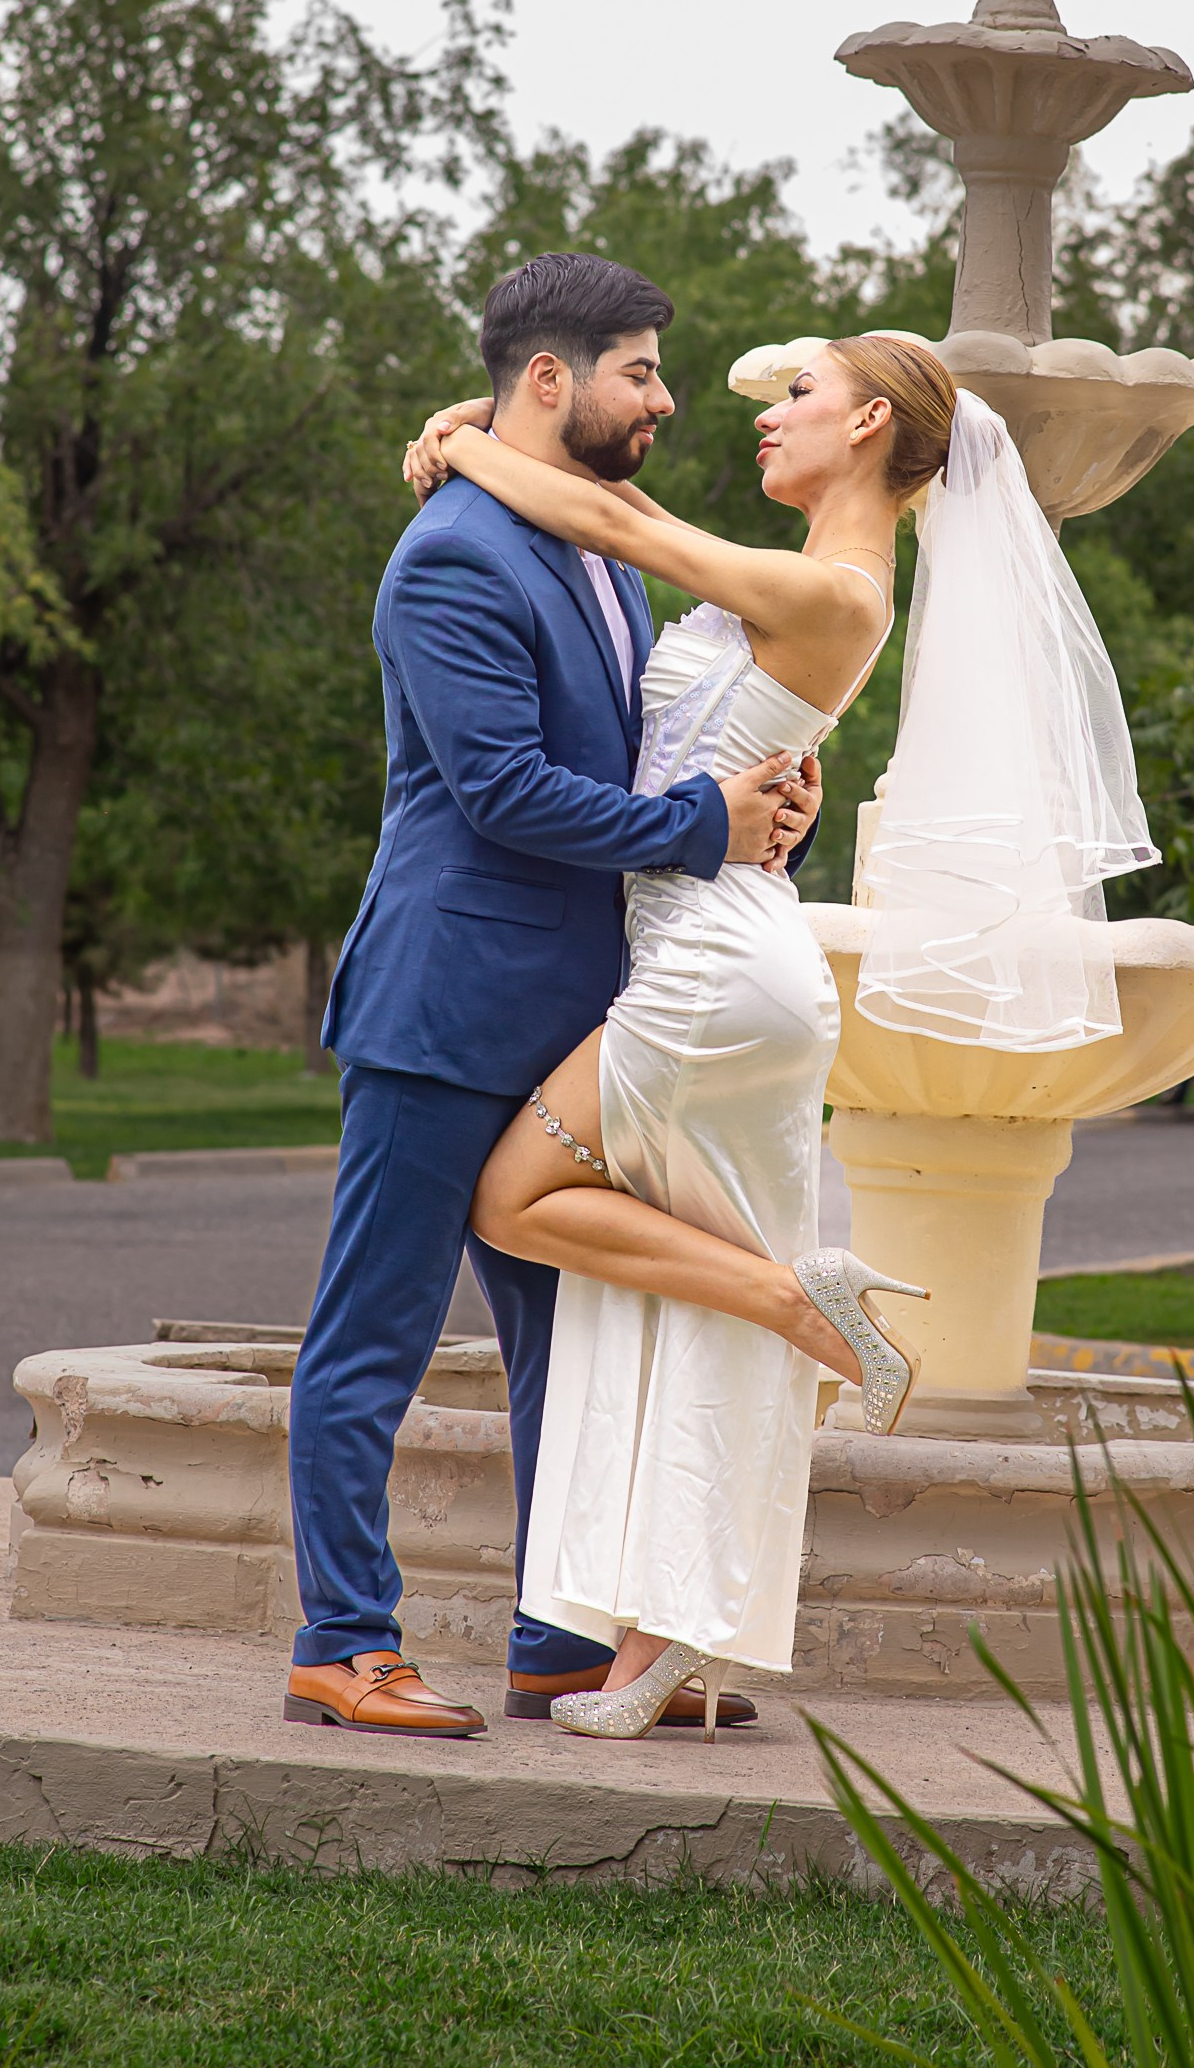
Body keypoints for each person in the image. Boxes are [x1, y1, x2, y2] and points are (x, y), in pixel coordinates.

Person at [408, 333, 1152, 1740]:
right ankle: (662, 1649)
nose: (767, 420)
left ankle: (805, 1310)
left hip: (709, 969)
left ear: (871, 422)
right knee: (665, 1298)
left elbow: (619, 519)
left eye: (796, 396)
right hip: (724, 953)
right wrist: (486, 431)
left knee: (514, 1204)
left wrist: (467, 442)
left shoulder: (834, 585)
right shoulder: (824, 581)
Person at [283, 254, 818, 1741]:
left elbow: (637, 763)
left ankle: (556, 1642)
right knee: (371, 1339)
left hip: (581, 1024)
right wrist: (703, 829)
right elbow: (506, 793)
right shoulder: (453, 553)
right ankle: (342, 1643)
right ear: (548, 379)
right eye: (641, 370)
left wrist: (762, 810)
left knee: (565, 1354)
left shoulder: (600, 547)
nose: (661, 398)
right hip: (443, 1006)